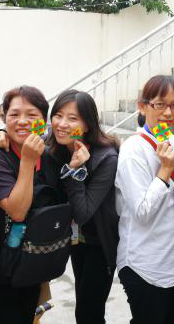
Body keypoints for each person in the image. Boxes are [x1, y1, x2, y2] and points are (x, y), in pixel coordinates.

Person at [0, 86, 61, 324]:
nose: (22, 121)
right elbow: (17, 211)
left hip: (37, 261)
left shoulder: (49, 155)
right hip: (2, 271)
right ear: (4, 118)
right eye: (14, 114)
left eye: (32, 115)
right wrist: (27, 161)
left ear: (43, 121)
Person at [115, 75, 174, 324]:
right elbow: (142, 212)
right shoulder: (133, 150)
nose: (168, 113)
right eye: (160, 104)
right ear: (143, 106)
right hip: (146, 266)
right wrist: (165, 171)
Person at [47, 89, 120, 324]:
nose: (62, 124)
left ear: (87, 125)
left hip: (100, 243)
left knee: (89, 312)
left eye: (72, 118)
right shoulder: (56, 146)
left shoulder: (106, 158)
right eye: (58, 115)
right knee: (84, 306)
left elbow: (83, 213)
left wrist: (75, 171)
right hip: (75, 240)